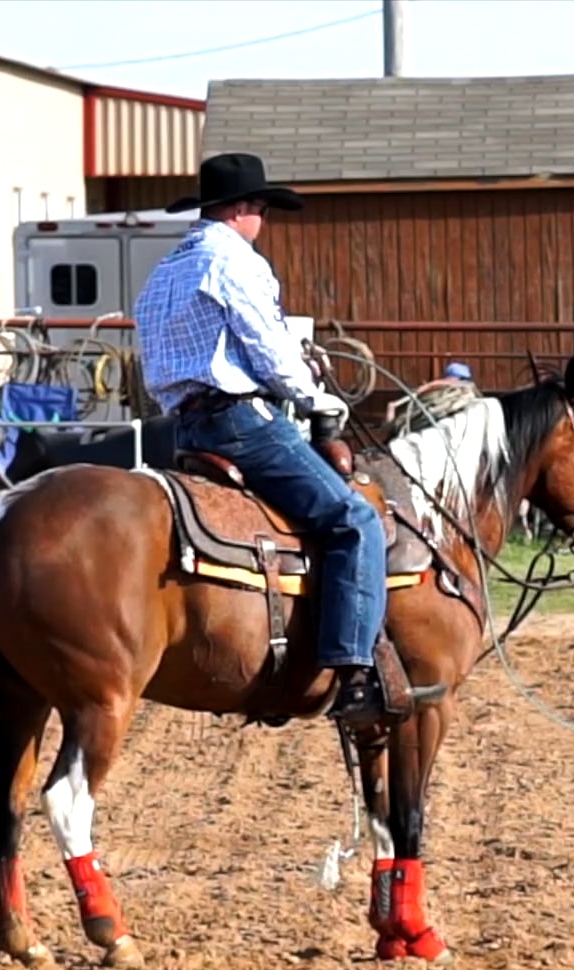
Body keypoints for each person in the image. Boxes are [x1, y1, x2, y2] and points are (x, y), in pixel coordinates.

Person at [134, 152, 438, 726]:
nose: (263, 220)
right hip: (243, 422)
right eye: (262, 209)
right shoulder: (236, 262)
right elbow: (270, 350)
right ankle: (353, 671)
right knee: (354, 520)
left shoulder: (165, 271)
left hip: (186, 423)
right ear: (245, 208)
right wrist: (312, 395)